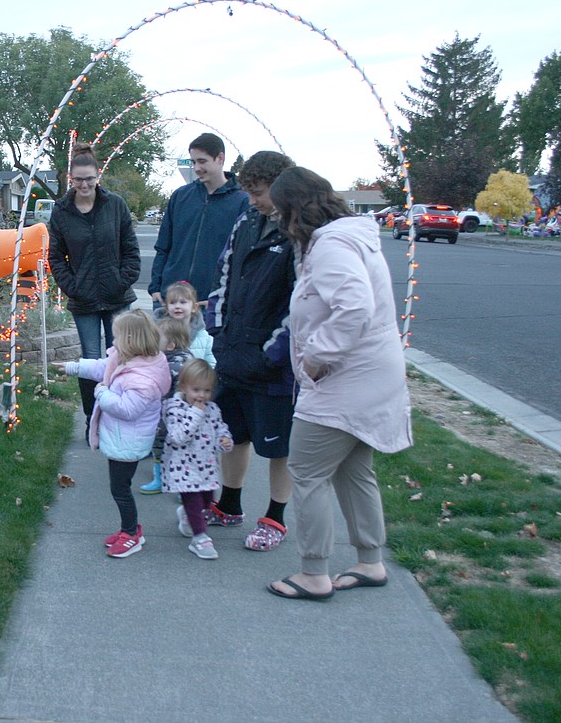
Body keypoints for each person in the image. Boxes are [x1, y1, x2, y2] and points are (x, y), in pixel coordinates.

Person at [264, 167, 412, 601]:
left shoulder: (331, 245)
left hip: (348, 377)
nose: (279, 222)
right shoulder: (350, 237)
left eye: (280, 213)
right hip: (372, 374)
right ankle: (370, 561)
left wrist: (316, 356)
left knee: (306, 471)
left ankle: (314, 574)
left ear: (295, 208)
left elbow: (352, 306)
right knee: (354, 469)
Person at [204, 150, 297, 552]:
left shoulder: (299, 233)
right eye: (248, 191)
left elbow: (301, 305)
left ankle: (275, 518)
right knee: (233, 436)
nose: (252, 199)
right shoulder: (246, 221)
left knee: (279, 446)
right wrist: (218, 331)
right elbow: (222, 275)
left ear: (281, 187)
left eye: (258, 192)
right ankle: (229, 503)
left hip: (272, 367)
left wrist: (271, 353)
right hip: (232, 354)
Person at [60, 310, 171, 558]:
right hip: (121, 438)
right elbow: (103, 366)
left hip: (128, 442)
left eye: (117, 336)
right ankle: (128, 529)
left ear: (131, 340)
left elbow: (127, 409)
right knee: (119, 487)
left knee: (120, 490)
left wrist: (101, 393)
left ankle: (132, 534)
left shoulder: (143, 380)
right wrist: (72, 367)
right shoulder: (129, 358)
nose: (113, 341)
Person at [48, 143, 141, 425]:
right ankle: (93, 416)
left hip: (117, 298)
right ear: (71, 180)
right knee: (90, 360)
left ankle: (121, 413)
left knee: (122, 357)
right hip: (83, 300)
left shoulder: (115, 205)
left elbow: (131, 249)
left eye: (89, 178)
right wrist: (72, 286)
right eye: (79, 179)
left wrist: (122, 280)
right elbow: (55, 256)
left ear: (98, 176)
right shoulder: (62, 211)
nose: (85, 184)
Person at [148, 132, 249, 305]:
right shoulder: (181, 196)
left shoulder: (242, 201)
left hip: (210, 302)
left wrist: (224, 296)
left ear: (220, 158)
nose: (196, 168)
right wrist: (156, 287)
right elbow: (164, 245)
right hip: (170, 300)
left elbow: (242, 258)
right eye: (193, 162)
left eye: (202, 161)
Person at [161, 359, 234, 560]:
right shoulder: (174, 408)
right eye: (196, 390)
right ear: (183, 387)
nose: (202, 396)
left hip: (206, 465)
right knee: (193, 502)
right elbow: (177, 436)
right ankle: (200, 538)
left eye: (207, 390)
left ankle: (187, 516)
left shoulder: (212, 409)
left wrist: (224, 440)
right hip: (183, 467)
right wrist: (195, 413)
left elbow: (219, 427)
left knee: (207, 500)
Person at [142, 316, 195, 495]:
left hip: (170, 418)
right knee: (162, 448)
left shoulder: (173, 366)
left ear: (170, 345)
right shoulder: (178, 360)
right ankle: (162, 478)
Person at [154, 281, 215, 365]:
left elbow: (211, 363)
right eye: (172, 302)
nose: (177, 306)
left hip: (195, 376)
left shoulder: (204, 336)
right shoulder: (157, 332)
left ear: (194, 307)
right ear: (166, 308)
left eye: (183, 302)